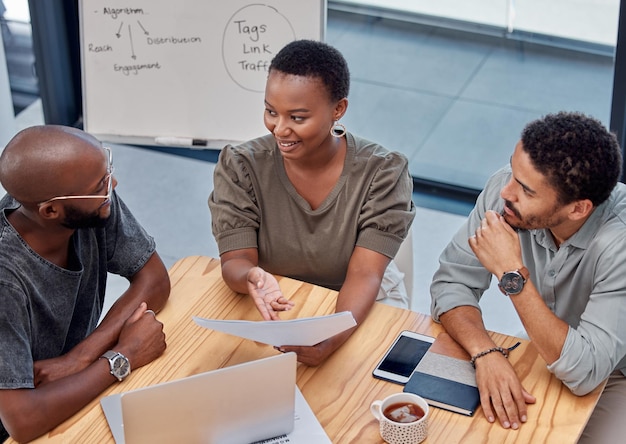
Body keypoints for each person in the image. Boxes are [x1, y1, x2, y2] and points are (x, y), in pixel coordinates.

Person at [208, 40, 415, 366]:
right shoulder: (240, 166)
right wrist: (251, 276)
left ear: (338, 110)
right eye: (271, 111)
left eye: (298, 117)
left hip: (358, 301)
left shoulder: (384, 171)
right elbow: (236, 260)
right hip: (281, 300)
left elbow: (364, 274)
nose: (280, 129)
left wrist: (330, 338)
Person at [430, 111, 626, 441]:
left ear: (578, 209)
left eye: (526, 190)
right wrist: (486, 353)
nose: (506, 192)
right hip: (550, 351)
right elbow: (452, 282)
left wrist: (512, 275)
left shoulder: (619, 242)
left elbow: (587, 369)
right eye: (513, 171)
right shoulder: (505, 194)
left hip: (613, 370)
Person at [0, 125, 170, 442]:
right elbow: (22, 421)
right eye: (101, 185)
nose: (112, 186)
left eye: (107, 175)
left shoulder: (87, 197)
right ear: (51, 210)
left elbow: (154, 279)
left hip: (73, 390)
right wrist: (122, 357)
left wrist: (79, 358)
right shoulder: (5, 280)